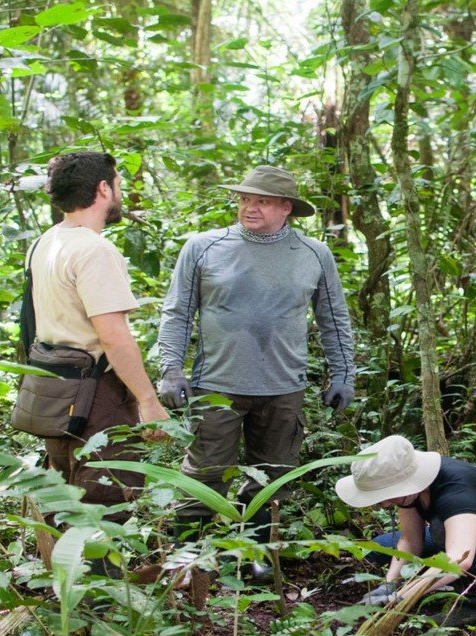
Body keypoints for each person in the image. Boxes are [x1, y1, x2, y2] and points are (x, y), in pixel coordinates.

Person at [157, 165, 356, 564]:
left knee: (274, 478)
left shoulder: (313, 253)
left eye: (262, 201)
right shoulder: (203, 247)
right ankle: (187, 557)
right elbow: (177, 311)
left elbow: (334, 318)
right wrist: (171, 369)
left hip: (283, 387)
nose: (249, 207)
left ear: (287, 208)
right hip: (217, 383)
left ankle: (258, 556)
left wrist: (343, 375)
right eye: (245, 199)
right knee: (205, 474)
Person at [31, 151, 169, 517]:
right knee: (105, 500)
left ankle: (62, 574)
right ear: (103, 188)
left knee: (62, 497)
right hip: (96, 394)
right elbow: (113, 336)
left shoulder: (47, 241)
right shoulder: (94, 249)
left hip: (55, 391)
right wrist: (148, 401)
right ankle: (97, 574)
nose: (120, 193)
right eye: (119, 184)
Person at [335, 435, 476, 616]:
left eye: (386, 495)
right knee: (379, 548)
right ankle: (441, 579)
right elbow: (410, 540)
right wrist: (390, 584)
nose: (383, 503)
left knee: (441, 529)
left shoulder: (455, 491)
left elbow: (460, 557)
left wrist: (404, 596)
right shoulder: (410, 491)